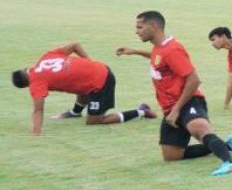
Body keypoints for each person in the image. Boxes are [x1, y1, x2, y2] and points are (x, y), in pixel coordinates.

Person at [116, 10, 232, 174]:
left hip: (187, 101)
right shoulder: (160, 48)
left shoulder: (172, 49)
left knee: (199, 129)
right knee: (172, 155)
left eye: (140, 27)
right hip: (170, 107)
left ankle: (229, 163)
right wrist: (135, 51)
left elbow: (194, 80)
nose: (136, 31)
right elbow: (159, 58)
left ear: (154, 26)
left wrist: (177, 110)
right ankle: (229, 145)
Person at [12, 42, 154, 135]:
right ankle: (75, 112)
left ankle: (141, 111)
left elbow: (38, 109)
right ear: (26, 69)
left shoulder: (36, 82)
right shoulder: (45, 58)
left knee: (94, 120)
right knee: (78, 83)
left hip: (102, 81)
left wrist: (36, 130)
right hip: (100, 68)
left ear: (26, 84)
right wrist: (88, 62)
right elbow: (75, 45)